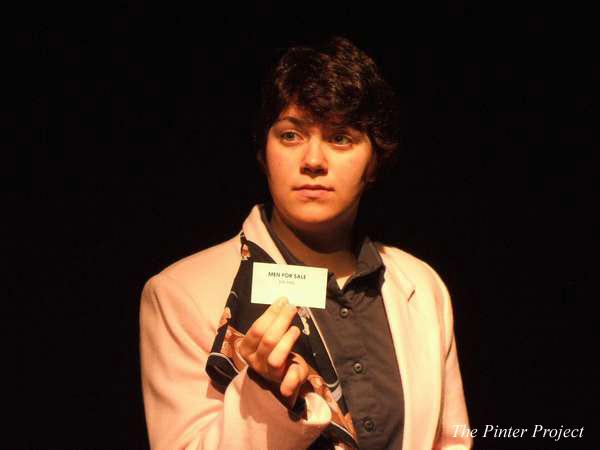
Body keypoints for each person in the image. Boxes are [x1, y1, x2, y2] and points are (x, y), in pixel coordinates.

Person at [139, 37, 472, 450]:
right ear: (263, 150)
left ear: (375, 162)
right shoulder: (181, 293)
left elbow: (451, 440)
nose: (313, 160)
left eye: (340, 138)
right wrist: (264, 397)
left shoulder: (421, 286)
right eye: (292, 135)